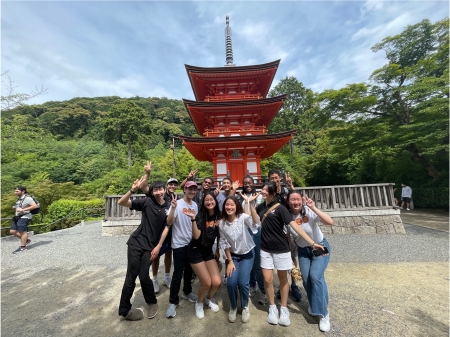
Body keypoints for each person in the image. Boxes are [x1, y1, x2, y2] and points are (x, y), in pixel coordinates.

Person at [256, 182, 325, 327]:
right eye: (262, 189)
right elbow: (252, 219)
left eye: (265, 190)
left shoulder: (281, 208)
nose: (262, 192)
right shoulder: (260, 207)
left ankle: (284, 308)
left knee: (283, 279)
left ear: (273, 193)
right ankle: (272, 307)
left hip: (281, 249)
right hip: (265, 249)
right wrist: (248, 203)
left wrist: (312, 243)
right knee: (267, 280)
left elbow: (295, 226)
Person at [117, 179, 171, 321]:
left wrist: (159, 246)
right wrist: (132, 190)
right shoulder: (147, 203)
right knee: (131, 276)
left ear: (164, 190)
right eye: (155, 190)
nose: (158, 192)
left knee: (144, 276)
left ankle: (152, 302)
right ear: (152, 192)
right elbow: (121, 203)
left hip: (151, 247)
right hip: (136, 243)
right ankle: (124, 310)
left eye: (160, 189)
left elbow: (167, 227)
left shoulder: (168, 206)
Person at [286, 190, 334, 332]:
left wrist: (313, 207)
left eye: (298, 199)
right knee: (306, 279)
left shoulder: (308, 211)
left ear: (302, 200)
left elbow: (330, 222)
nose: (295, 202)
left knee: (316, 276)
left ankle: (323, 314)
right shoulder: (287, 217)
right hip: (303, 251)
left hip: (320, 247)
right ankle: (316, 303)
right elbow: (289, 239)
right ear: (288, 201)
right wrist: (291, 256)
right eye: (292, 200)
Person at [219, 195, 260, 323]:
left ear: (237, 206)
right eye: (227, 204)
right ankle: (233, 306)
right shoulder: (222, 223)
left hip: (247, 254)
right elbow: (224, 243)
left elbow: (255, 222)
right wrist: (230, 261)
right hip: (233, 257)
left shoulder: (242, 218)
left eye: (232, 204)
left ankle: (245, 306)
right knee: (231, 283)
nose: (229, 207)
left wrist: (251, 204)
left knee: (243, 282)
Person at [183, 192, 222, 319]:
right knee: (206, 282)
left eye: (211, 199)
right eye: (207, 200)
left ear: (215, 201)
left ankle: (208, 298)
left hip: (208, 251)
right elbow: (196, 236)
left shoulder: (219, 216)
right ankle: (199, 303)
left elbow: (219, 234)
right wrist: (193, 219)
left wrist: (217, 250)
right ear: (203, 203)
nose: (209, 202)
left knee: (216, 282)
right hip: (195, 250)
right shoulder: (199, 216)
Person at [166, 181, 199, 318]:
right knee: (177, 274)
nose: (191, 191)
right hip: (179, 244)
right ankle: (173, 302)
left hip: (190, 243)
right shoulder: (177, 204)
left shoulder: (195, 205)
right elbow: (169, 222)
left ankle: (187, 291)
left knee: (189, 270)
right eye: (189, 189)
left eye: (194, 189)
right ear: (184, 189)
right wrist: (173, 209)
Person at [140, 161, 174, 293]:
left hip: (169, 231)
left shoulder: (172, 199)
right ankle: (154, 279)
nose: (172, 186)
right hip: (156, 233)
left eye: (174, 185)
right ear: (166, 187)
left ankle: (166, 277)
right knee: (155, 256)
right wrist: (147, 173)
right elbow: (143, 186)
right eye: (170, 184)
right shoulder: (157, 195)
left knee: (169, 253)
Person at [235, 176, 267, 305]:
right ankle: (252, 285)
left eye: (250, 183)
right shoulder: (240, 197)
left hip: (257, 231)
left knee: (258, 262)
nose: (248, 184)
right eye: (245, 183)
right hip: (245, 232)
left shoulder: (259, 196)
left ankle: (264, 291)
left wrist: (250, 202)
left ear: (254, 184)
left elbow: (256, 216)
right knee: (250, 260)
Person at [11, 186, 37, 253]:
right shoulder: (19, 198)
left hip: (25, 216)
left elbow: (34, 206)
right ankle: (26, 240)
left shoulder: (28, 198)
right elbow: (20, 206)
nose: (15, 192)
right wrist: (15, 207)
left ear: (23, 191)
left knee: (22, 231)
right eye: (15, 191)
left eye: (17, 191)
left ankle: (23, 247)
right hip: (18, 216)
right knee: (12, 231)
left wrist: (22, 209)